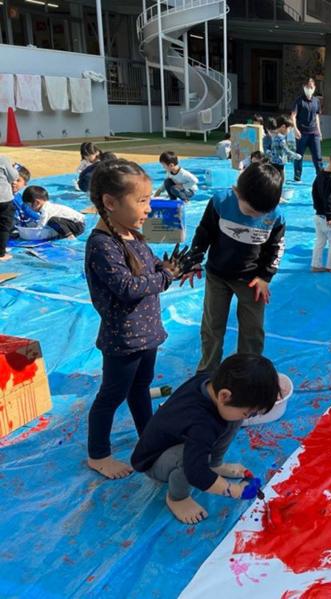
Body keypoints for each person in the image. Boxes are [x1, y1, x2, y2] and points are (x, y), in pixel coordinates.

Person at [84, 159, 181, 479]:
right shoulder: (102, 245)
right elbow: (127, 288)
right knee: (110, 396)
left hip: (147, 334)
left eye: (150, 199)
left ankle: (149, 437)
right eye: (142, 201)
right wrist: (165, 279)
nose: (149, 208)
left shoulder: (132, 235)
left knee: (140, 388)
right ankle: (98, 455)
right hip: (123, 339)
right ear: (110, 203)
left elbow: (153, 266)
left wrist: (173, 267)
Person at [131, 353, 280, 524]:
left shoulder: (215, 383)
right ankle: (177, 498)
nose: (250, 417)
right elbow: (196, 473)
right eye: (249, 412)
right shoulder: (201, 424)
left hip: (182, 438)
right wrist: (235, 490)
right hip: (153, 460)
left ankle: (215, 465)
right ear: (224, 396)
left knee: (234, 417)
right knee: (191, 459)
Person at [182, 162, 285, 374]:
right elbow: (204, 233)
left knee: (252, 330)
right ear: (236, 191)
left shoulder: (275, 216)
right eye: (250, 210)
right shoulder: (220, 202)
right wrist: (194, 260)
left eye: (261, 213)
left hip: (252, 280)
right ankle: (207, 371)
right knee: (212, 326)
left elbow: (276, 248)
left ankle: (247, 372)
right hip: (217, 276)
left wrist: (265, 277)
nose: (255, 216)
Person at [20, 185, 86, 240]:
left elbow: (40, 227)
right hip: (76, 223)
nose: (29, 208)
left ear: (37, 202)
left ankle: (70, 236)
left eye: (29, 205)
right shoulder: (48, 207)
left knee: (52, 221)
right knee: (52, 222)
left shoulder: (46, 210)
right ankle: (66, 233)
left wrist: (32, 232)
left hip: (78, 225)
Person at [291, 77, 324, 181]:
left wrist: (319, 131)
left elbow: (317, 116)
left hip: (314, 133)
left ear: (314, 88)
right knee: (298, 156)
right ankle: (297, 176)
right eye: (307, 87)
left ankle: (321, 176)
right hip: (302, 133)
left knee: (318, 156)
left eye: (311, 87)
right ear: (303, 87)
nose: (309, 88)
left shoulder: (316, 101)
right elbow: (293, 116)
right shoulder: (299, 101)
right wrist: (295, 129)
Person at [269, 115, 302, 183]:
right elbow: (287, 151)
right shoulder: (281, 139)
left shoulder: (274, 136)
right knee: (281, 182)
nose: (289, 131)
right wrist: (296, 156)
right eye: (289, 129)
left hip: (273, 163)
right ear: (283, 127)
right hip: (278, 165)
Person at [11, 164, 38, 230]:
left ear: (25, 184)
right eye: (10, 179)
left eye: (18, 180)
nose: (14, 182)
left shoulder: (20, 198)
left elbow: (28, 212)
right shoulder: (3, 197)